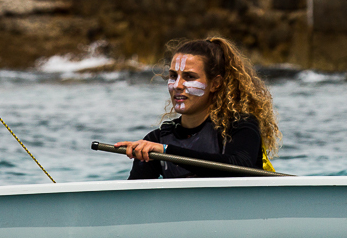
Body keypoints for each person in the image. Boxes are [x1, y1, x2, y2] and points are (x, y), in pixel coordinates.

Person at [115, 37, 281, 178]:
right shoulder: (156, 141)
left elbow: (240, 166)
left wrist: (167, 152)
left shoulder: (240, 125)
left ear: (215, 84)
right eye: (173, 76)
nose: (177, 86)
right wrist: (144, 157)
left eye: (189, 77)